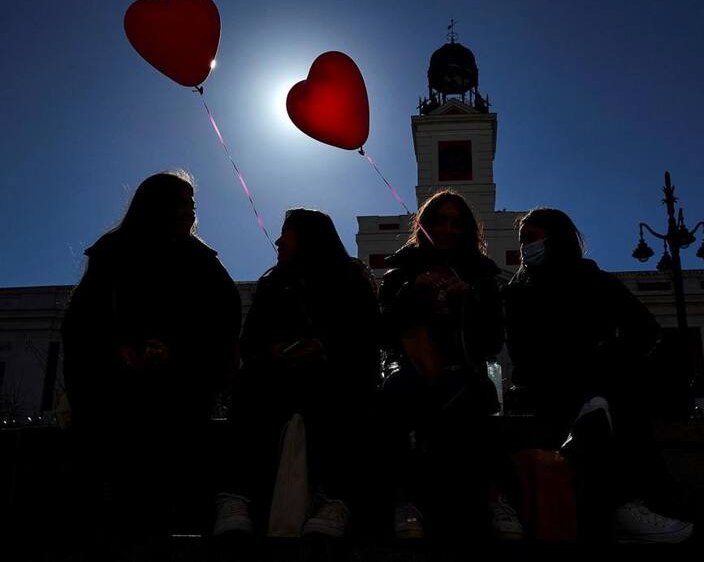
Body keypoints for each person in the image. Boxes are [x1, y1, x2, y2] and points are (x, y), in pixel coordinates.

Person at [62, 170, 242, 537]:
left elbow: (224, 323)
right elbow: (81, 322)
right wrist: (119, 348)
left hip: (180, 393)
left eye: (192, 205)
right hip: (111, 392)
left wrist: (178, 352)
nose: (190, 213)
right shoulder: (113, 253)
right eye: (181, 204)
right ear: (156, 206)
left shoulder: (203, 261)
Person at [503, 208, 693, 543]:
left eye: (531, 238)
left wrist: (610, 354)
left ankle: (627, 504)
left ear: (556, 238)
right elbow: (523, 355)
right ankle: (625, 505)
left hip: (598, 379)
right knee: (605, 400)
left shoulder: (596, 281)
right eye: (522, 240)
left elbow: (646, 330)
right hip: (545, 385)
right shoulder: (517, 292)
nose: (524, 248)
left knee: (608, 395)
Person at [213, 209, 380, 538]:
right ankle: (236, 497)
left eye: (286, 232)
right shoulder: (272, 284)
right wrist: (275, 351)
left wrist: (325, 347)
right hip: (278, 377)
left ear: (309, 237)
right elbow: (250, 342)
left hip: (334, 377)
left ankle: (335, 498)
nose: (278, 241)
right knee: (249, 385)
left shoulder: (351, 280)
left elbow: (367, 338)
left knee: (342, 395)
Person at [378, 190, 523, 540]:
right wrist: (413, 293)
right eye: (440, 221)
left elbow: (492, 342)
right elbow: (383, 334)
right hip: (412, 372)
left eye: (456, 224)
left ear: (467, 230)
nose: (447, 229)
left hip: (464, 374)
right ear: (425, 225)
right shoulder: (399, 273)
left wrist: (469, 301)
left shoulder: (483, 277)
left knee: (473, 401)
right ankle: (406, 500)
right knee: (399, 396)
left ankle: (495, 499)